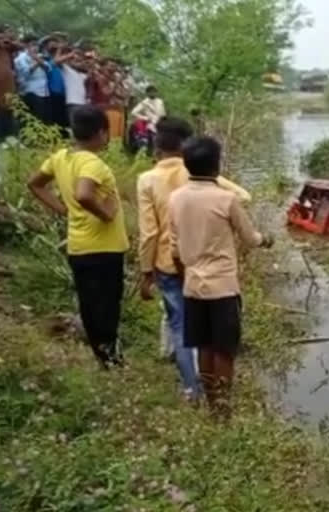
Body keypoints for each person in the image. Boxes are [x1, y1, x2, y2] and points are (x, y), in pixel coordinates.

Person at [137, 117, 251, 400]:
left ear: (158, 144)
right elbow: (242, 197)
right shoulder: (207, 179)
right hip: (212, 272)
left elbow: (149, 232)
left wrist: (145, 270)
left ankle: (192, 388)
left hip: (171, 263)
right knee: (219, 341)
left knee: (182, 327)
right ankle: (219, 400)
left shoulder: (148, 180)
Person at [169, 136, 272, 417]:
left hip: (193, 287)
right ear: (217, 165)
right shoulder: (227, 199)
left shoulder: (175, 198)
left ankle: (212, 404)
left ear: (187, 165)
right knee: (224, 350)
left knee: (203, 346)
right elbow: (250, 239)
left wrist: (184, 275)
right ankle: (224, 410)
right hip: (223, 287)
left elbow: (174, 248)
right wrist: (267, 240)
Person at [28, 105, 129, 369]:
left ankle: (103, 358)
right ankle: (111, 360)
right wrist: (105, 214)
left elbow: (35, 183)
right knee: (107, 305)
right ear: (101, 133)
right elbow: (84, 194)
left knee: (89, 304)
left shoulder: (61, 158)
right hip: (104, 248)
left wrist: (63, 209)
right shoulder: (92, 162)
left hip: (79, 246)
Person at [14, 35, 50, 124]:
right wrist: (37, 61)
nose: (35, 47)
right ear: (26, 46)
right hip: (30, 92)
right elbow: (26, 73)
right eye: (33, 45)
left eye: (36, 45)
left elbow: (48, 68)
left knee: (43, 121)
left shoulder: (39, 56)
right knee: (33, 122)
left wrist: (37, 58)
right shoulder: (21, 58)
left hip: (44, 92)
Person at [0, 25, 19, 141]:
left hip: (7, 86)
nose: (0, 40)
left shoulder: (7, 49)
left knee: (8, 111)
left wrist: (7, 40)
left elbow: (18, 46)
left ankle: (10, 137)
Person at [59, 47, 89, 121]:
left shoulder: (82, 75)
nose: (78, 61)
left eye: (80, 60)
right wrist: (71, 54)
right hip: (72, 104)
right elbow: (57, 61)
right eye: (75, 60)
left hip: (83, 104)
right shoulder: (66, 70)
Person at [44, 42, 68, 129]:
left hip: (63, 93)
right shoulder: (47, 60)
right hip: (53, 92)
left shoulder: (62, 62)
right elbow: (55, 61)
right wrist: (59, 48)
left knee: (63, 118)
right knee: (57, 118)